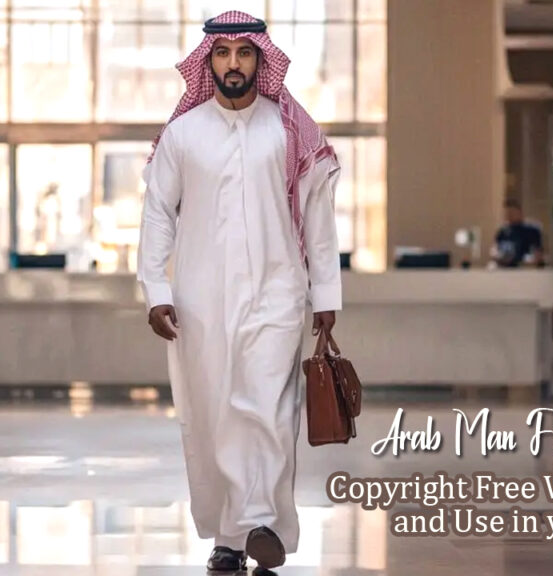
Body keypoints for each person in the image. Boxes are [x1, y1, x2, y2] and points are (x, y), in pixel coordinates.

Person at [136, 11, 342, 572]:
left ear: (259, 60)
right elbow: (158, 216)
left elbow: (319, 218)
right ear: (208, 61)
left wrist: (325, 295)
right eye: (222, 53)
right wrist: (156, 288)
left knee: (272, 408)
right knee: (216, 412)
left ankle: (258, 520)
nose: (233, 63)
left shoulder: (289, 129)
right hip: (201, 297)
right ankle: (233, 536)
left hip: (279, 292)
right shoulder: (183, 133)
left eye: (243, 53)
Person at [492, 198, 544, 268]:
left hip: (526, 270)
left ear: (520, 212)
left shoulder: (531, 231)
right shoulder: (503, 232)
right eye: (508, 213)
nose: (510, 216)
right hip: (505, 270)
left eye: (512, 213)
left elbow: (537, 254)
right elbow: (496, 251)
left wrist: (527, 262)